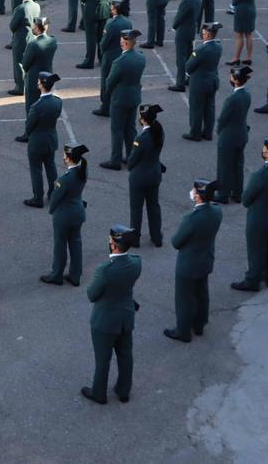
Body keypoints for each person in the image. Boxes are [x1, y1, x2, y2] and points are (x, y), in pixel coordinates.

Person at [81, 225, 141, 405]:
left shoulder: (106, 269)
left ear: (114, 245)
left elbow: (92, 294)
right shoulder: (136, 262)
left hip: (105, 320)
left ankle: (99, 393)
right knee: (125, 354)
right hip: (126, 316)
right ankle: (124, 390)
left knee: (103, 359)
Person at [164, 179, 222, 343]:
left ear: (198, 197)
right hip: (205, 259)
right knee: (202, 292)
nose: (192, 192)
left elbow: (176, 242)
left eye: (194, 191)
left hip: (188, 263)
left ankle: (183, 330)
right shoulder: (217, 212)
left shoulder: (192, 218)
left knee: (185, 298)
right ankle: (199, 324)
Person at [231, 138, 268, 292]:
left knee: (256, 248)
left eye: (265, 149)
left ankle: (253, 279)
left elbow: (246, 199)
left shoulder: (260, 174)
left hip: (259, 216)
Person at [102, 30, 146, 169]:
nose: (120, 44)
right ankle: (131, 156)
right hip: (134, 96)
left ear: (126, 43)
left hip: (120, 98)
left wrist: (106, 96)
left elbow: (110, 82)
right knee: (130, 128)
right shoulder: (141, 57)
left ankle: (115, 160)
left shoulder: (119, 61)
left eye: (122, 42)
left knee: (117, 129)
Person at [44, 143, 88, 284]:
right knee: (76, 243)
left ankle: (56, 275)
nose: (63, 157)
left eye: (64, 155)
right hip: (78, 212)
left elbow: (55, 198)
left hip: (64, 215)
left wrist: (52, 211)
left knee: (60, 245)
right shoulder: (83, 171)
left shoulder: (64, 179)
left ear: (68, 158)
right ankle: (75, 276)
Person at [214, 67, 254, 204]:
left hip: (229, 135)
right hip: (241, 133)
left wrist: (219, 130)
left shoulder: (232, 98)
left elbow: (223, 118)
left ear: (236, 80)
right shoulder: (247, 94)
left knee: (225, 166)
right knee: (238, 164)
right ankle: (237, 193)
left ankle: (223, 193)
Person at [128, 105, 165, 247]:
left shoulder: (141, 138)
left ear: (143, 120)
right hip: (154, 173)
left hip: (139, 177)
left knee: (136, 209)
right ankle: (157, 237)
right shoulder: (159, 131)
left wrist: (130, 166)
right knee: (154, 206)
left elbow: (133, 159)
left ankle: (135, 238)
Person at [23, 72, 62, 207]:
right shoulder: (58, 102)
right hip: (51, 138)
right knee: (51, 166)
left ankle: (38, 197)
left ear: (42, 85)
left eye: (39, 82)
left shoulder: (37, 106)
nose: (37, 83)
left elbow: (29, 126)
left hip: (37, 141)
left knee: (36, 170)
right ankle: (54, 192)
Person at [184, 22, 223, 141]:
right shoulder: (218, 46)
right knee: (209, 107)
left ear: (208, 35)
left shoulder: (201, 49)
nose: (202, 34)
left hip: (199, 82)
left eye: (204, 32)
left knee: (196, 108)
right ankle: (208, 133)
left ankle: (195, 133)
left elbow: (189, 66)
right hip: (212, 80)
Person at [93, 0, 131, 116]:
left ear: (115, 9)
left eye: (112, 7)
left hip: (110, 56)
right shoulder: (127, 22)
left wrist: (103, 53)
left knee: (107, 82)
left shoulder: (111, 24)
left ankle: (105, 107)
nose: (111, 9)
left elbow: (103, 43)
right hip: (122, 53)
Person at [19, 17, 57, 129]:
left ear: (37, 28)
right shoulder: (53, 40)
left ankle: (29, 131)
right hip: (48, 74)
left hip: (34, 78)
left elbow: (25, 64)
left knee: (31, 105)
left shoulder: (33, 44)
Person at [77, 0, 113, 69]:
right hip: (105, 10)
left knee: (91, 37)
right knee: (101, 36)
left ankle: (89, 61)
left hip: (92, 12)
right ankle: (102, 57)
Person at [169, 0, 203, 84]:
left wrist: (174, 25)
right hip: (192, 28)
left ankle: (180, 82)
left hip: (183, 30)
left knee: (181, 57)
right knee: (189, 55)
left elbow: (180, 15)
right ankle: (189, 77)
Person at [8, 0, 41, 95]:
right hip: (32, 36)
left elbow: (13, 25)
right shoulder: (36, 6)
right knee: (29, 61)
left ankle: (20, 87)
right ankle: (30, 84)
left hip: (21, 37)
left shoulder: (21, 8)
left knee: (19, 62)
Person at [228, 0, 259, 66]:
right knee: (248, 34)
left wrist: (232, 4)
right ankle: (248, 57)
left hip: (242, 10)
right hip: (251, 8)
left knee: (239, 34)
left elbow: (236, 0)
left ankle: (236, 57)